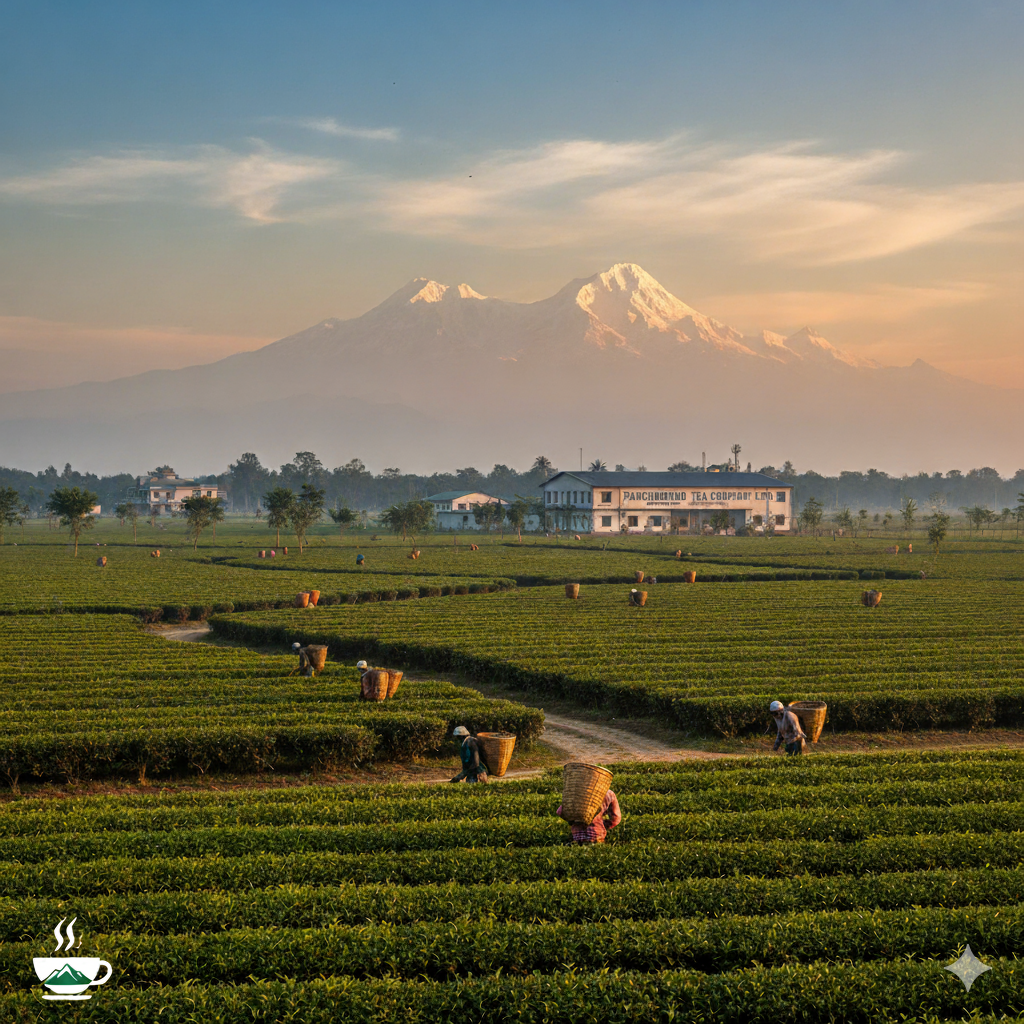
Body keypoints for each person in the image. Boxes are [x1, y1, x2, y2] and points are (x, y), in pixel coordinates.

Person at [556, 789, 621, 844]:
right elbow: (616, 818)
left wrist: (572, 821)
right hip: (597, 834)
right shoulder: (608, 793)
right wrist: (603, 825)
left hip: (577, 836)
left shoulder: (575, 792)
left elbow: (560, 811)